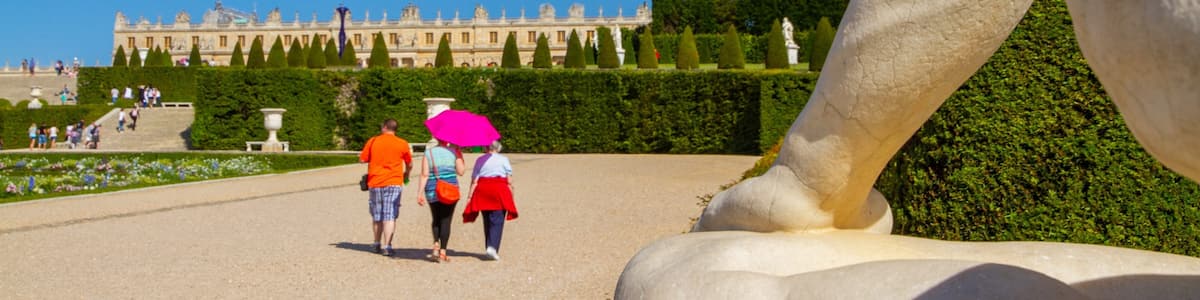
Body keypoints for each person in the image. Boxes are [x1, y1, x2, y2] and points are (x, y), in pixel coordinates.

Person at [358, 119, 413, 256]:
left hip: (375, 181)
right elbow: (409, 163)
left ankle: (376, 243)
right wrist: (406, 174)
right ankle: (387, 246)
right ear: (395, 129)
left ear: (384, 127)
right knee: (389, 215)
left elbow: (362, 159)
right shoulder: (402, 143)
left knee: (377, 214)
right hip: (394, 181)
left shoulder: (373, 141)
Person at [462, 140, 519, 261]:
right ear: (498, 148)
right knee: (497, 220)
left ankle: (489, 246)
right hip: (499, 190)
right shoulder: (503, 159)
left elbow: (474, 181)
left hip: (483, 190)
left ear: (486, 147)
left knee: (487, 219)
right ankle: (492, 248)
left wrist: (469, 196)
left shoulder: (480, 160)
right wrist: (512, 193)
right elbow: (509, 180)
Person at [416, 138, 466, 263]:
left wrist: (419, 193)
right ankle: (443, 252)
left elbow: (424, 174)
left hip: (432, 189)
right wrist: (459, 154)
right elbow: (461, 172)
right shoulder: (454, 151)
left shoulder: (429, 153)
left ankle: (435, 244)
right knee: (446, 220)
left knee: (436, 218)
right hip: (450, 189)